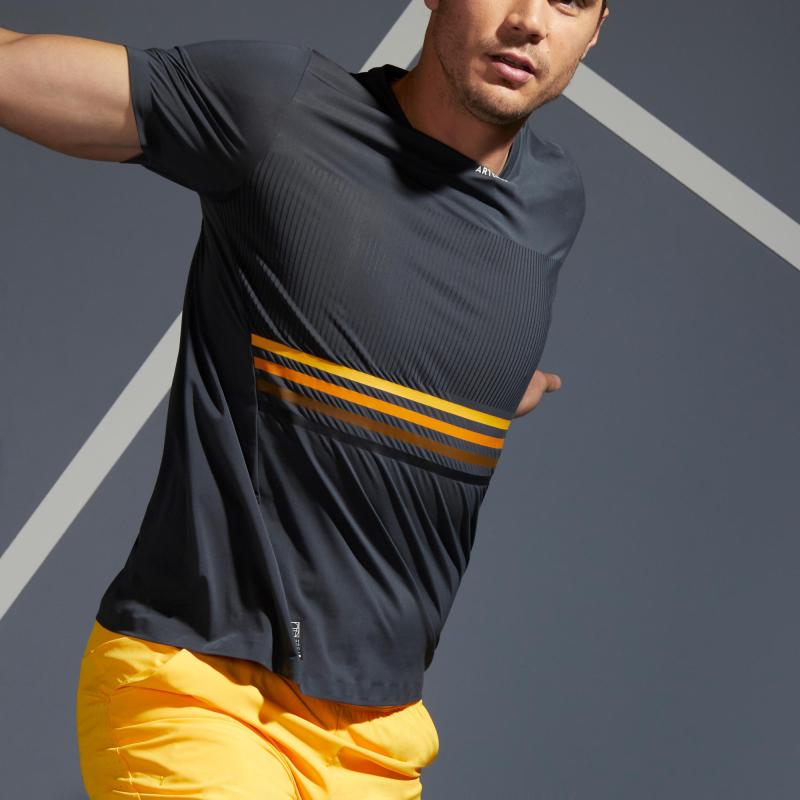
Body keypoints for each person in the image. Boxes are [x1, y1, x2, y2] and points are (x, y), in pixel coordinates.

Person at [0, 0, 608, 796]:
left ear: (596, 29)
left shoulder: (554, 201)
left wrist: (490, 385)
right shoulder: (279, 108)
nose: (530, 19)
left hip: (378, 738)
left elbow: (402, 317)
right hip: (200, 687)